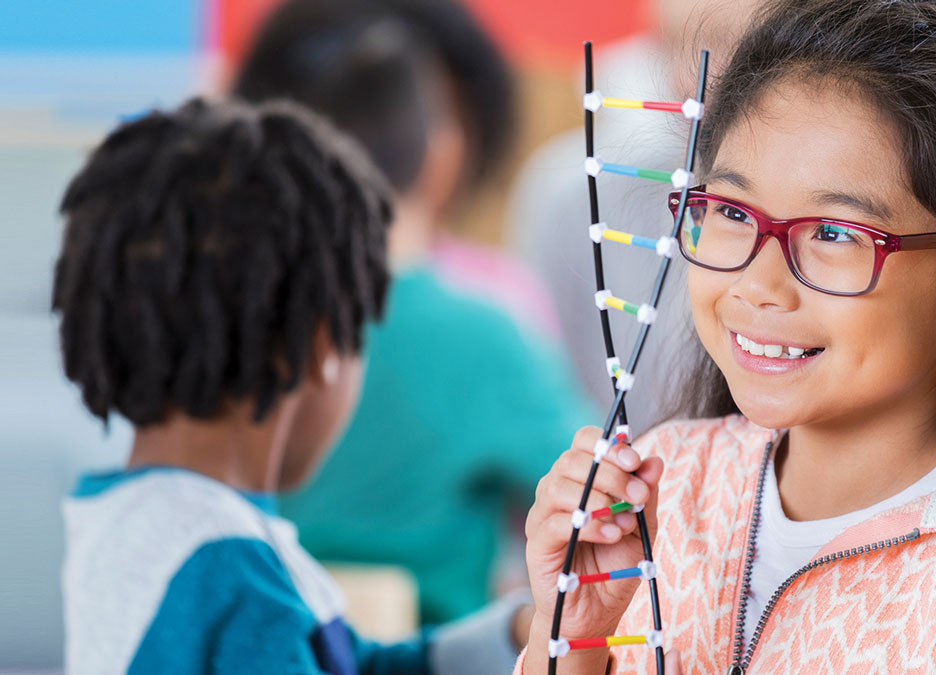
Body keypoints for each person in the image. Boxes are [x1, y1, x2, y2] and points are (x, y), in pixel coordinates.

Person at [519, 0, 936, 672]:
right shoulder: (670, 484)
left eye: (835, 233)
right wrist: (575, 636)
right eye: (730, 209)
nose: (759, 284)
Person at [55, 98, 525, 674]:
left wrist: (521, 632)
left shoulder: (142, 523)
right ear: (323, 348)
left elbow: (354, 665)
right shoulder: (230, 573)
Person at [233, 0, 598, 627]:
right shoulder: (488, 330)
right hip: (440, 652)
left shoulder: (228, 315)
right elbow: (599, 496)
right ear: (439, 148)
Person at [506, 0, 763, 431]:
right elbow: (543, 395)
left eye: (721, 44)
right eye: (668, 46)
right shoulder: (575, 197)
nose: (688, 78)